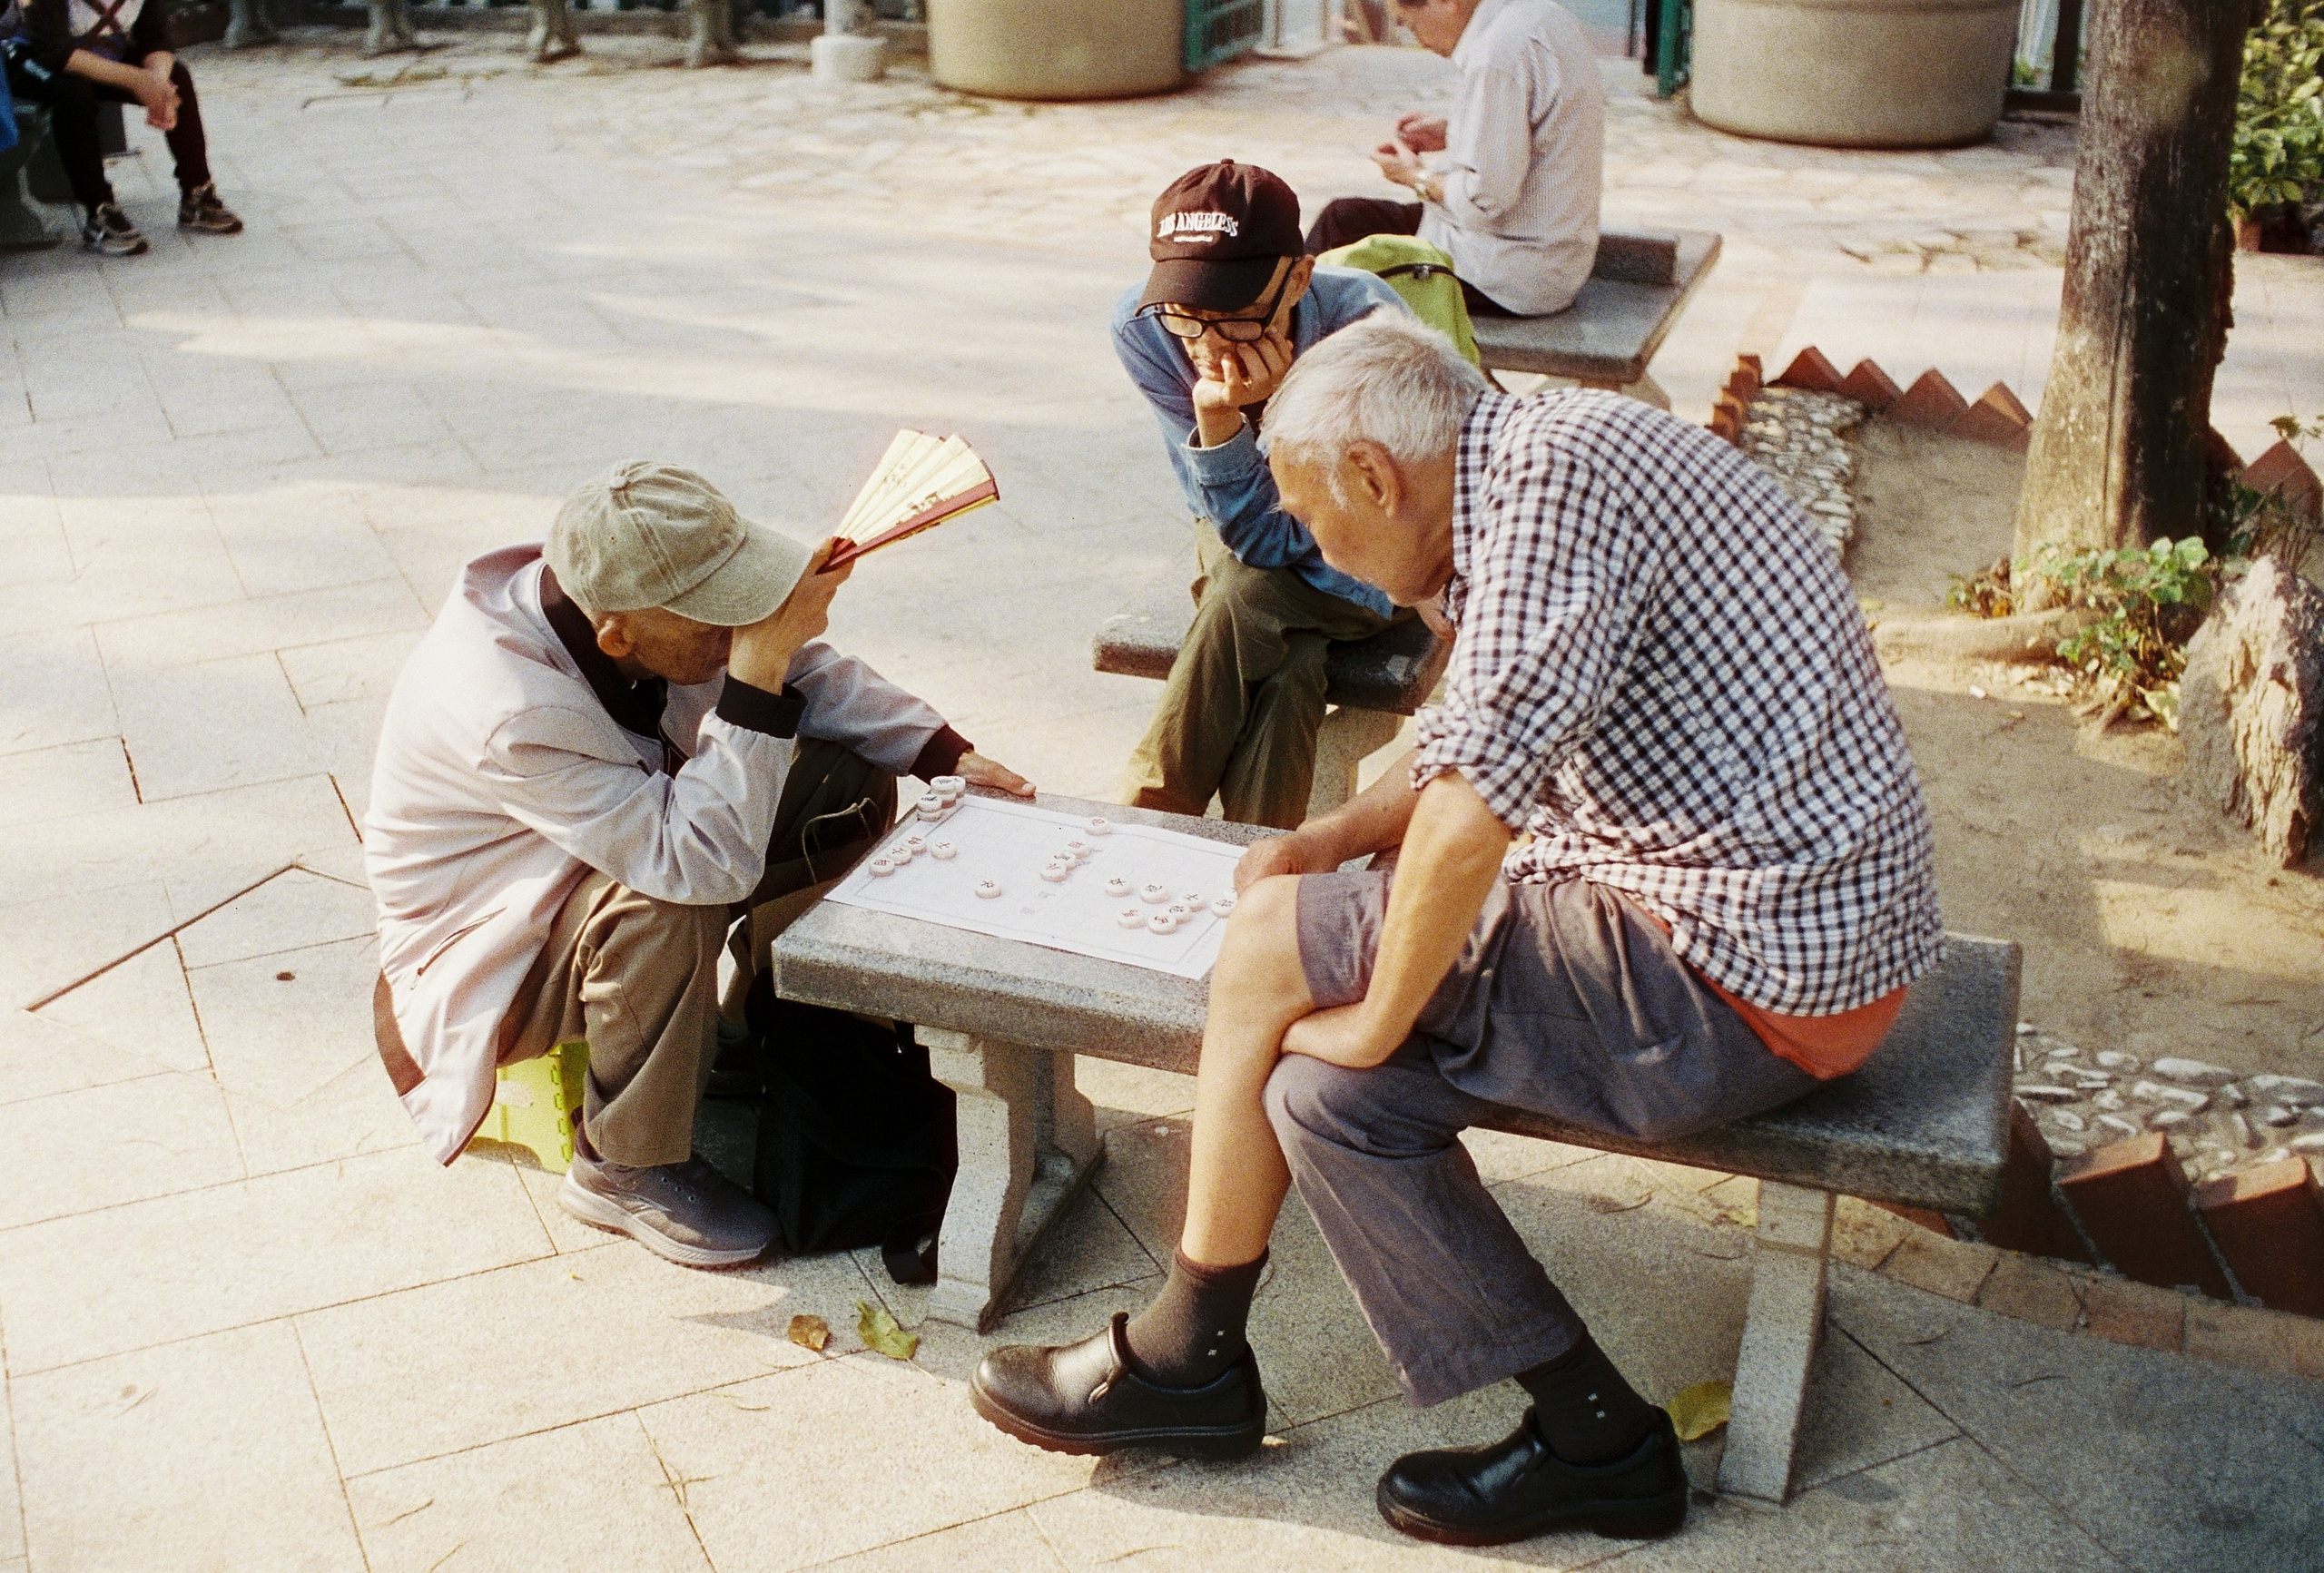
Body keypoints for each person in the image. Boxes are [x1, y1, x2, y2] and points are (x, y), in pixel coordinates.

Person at [969, 317, 1942, 1547]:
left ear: (1377, 473)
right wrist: (1333, 839)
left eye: (1320, 521)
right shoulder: (1535, 462)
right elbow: (1477, 741)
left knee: (1269, 946)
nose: (1327, 554)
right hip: (1779, 951)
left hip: (1742, 969)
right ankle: (1600, 1437)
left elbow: (1473, 811)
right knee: (1331, 1100)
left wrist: (1375, 1005)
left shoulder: (1550, 491)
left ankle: (1184, 1357)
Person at [366, 461, 1032, 1268]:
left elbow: (802, 670)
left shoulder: (624, 595)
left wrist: (943, 753)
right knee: (665, 900)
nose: (737, 633)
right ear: (618, 635)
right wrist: (753, 677)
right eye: (716, 623)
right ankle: (624, 1163)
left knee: (843, 776)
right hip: (494, 952)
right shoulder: (511, 708)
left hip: (597, 859)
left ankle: (743, 1024)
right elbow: (693, 866)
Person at [1114, 160, 1412, 829]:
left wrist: (1272, 410)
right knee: (1289, 664)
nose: (1210, 343)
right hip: (1243, 533)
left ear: (1300, 277)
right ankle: (1256, 873)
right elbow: (1245, 529)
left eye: (1239, 315)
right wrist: (1220, 420)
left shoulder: (1364, 329)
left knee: (1248, 593)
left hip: (1377, 551)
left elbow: (1309, 537)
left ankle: (1143, 824)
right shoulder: (1147, 329)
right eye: (1191, 312)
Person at [1304, 0, 1602, 317]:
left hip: (1505, 275)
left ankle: (1286, 350)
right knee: (1343, 218)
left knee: (1332, 275)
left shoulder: (1497, 54)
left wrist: (1415, 177)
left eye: (1411, 24)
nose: (1419, 42)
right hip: (1550, 259)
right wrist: (1456, 132)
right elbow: (1538, 131)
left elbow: (1482, 202)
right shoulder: (1540, 15)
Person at [1, 0, 242, 256]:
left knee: (177, 77)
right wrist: (139, 80)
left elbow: (155, 38)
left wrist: (158, 86)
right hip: (31, 57)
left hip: (97, 51)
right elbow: (57, 52)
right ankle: (99, 210)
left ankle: (196, 194)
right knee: (73, 94)